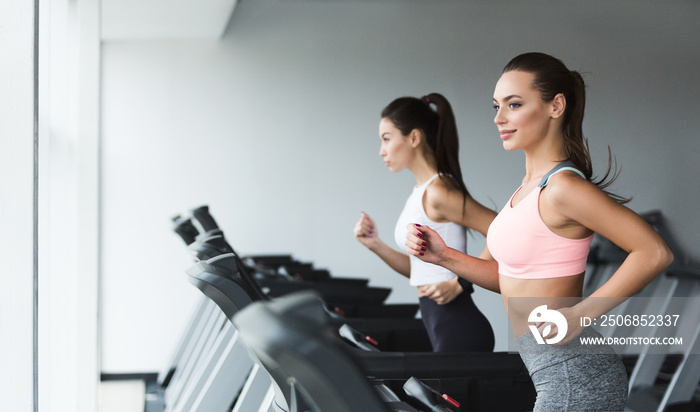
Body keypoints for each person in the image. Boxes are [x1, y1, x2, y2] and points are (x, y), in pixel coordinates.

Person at [404, 53, 673, 411]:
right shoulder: (527, 189)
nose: (499, 118)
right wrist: (444, 256)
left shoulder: (563, 188)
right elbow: (512, 280)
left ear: (555, 106)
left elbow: (654, 252)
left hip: (574, 374)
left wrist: (578, 316)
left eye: (514, 105)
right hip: (550, 368)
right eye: (497, 106)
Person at [353, 93, 497, 353]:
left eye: (387, 139)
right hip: (439, 322)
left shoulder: (439, 191)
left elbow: (502, 230)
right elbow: (420, 270)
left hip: (458, 326)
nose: (382, 150)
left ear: (414, 138)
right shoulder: (420, 192)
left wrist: (460, 283)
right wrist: (375, 244)